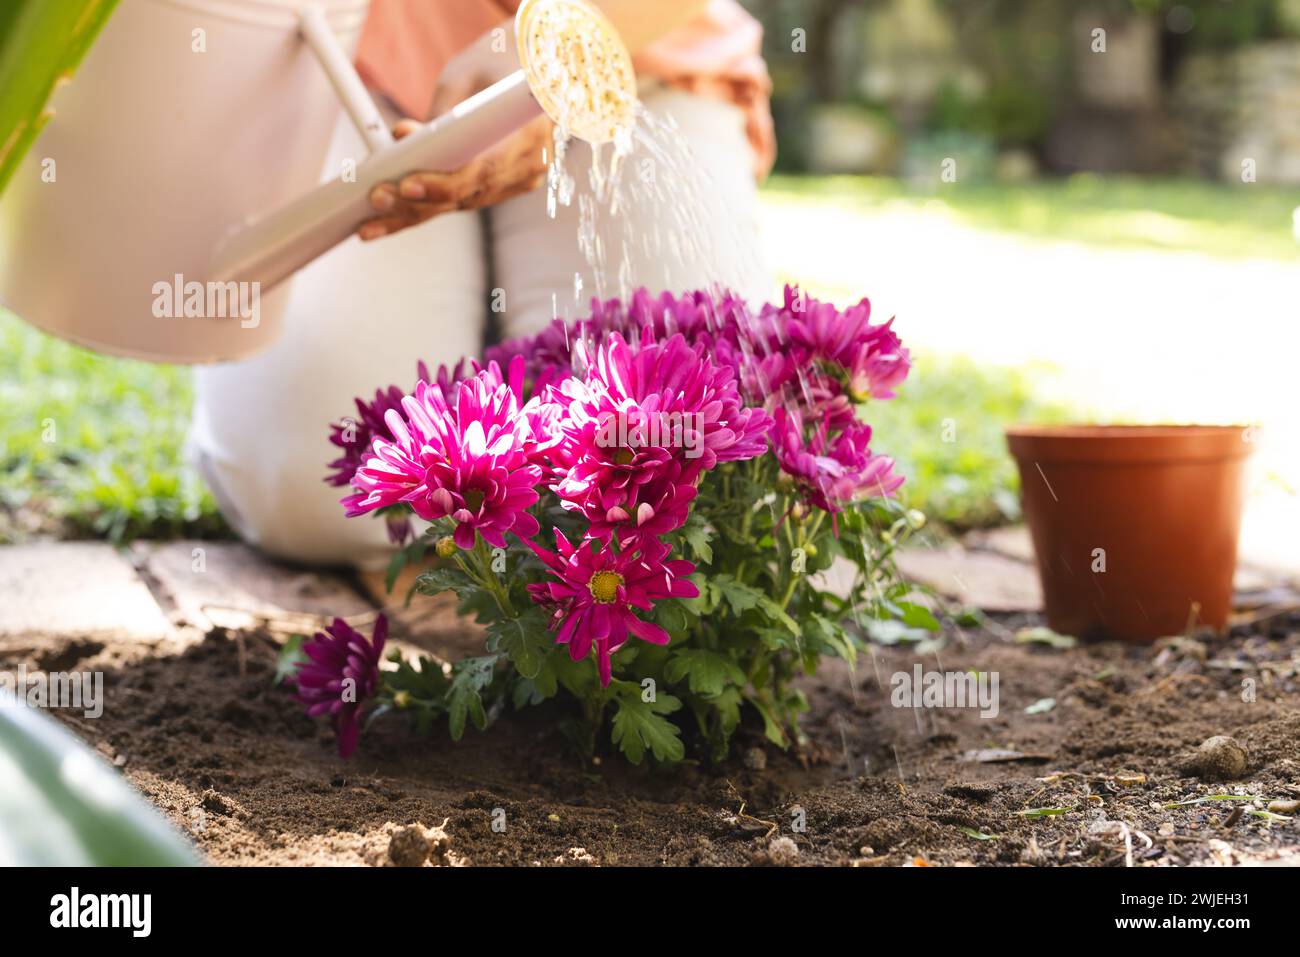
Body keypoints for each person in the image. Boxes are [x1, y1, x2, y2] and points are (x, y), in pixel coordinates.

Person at [189, 0, 776, 567]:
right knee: (320, 496)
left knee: (701, 473)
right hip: (348, 48)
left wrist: (557, 52)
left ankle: (486, 342)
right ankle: (480, 348)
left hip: (632, 46)